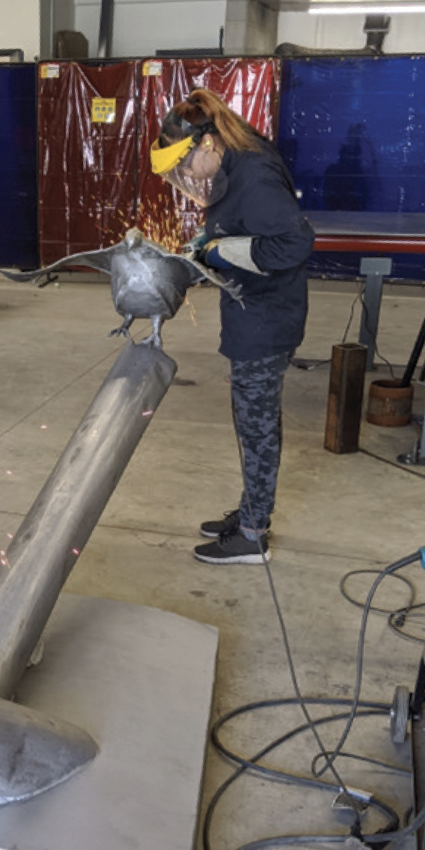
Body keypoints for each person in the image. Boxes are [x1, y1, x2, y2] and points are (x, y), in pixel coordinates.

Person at [151, 88, 315, 565]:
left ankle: (252, 534)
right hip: (255, 314)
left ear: (204, 145)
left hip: (267, 320)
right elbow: (243, 221)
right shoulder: (237, 159)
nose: (186, 179)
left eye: (184, 168)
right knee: (252, 423)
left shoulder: (255, 174)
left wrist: (224, 252)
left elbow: (293, 244)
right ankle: (250, 509)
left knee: (257, 429)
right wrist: (211, 238)